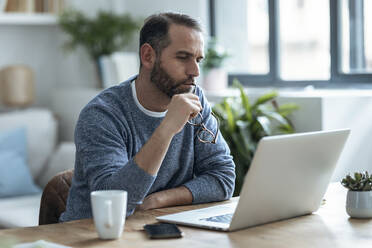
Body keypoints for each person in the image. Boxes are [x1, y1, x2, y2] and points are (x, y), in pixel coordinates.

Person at [60, 12, 235, 222]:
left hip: (157, 226)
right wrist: (167, 128)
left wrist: (158, 200)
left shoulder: (195, 99)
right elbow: (114, 201)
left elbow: (223, 178)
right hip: (89, 235)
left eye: (198, 60)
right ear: (148, 56)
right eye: (183, 57)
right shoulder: (101, 114)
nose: (195, 71)